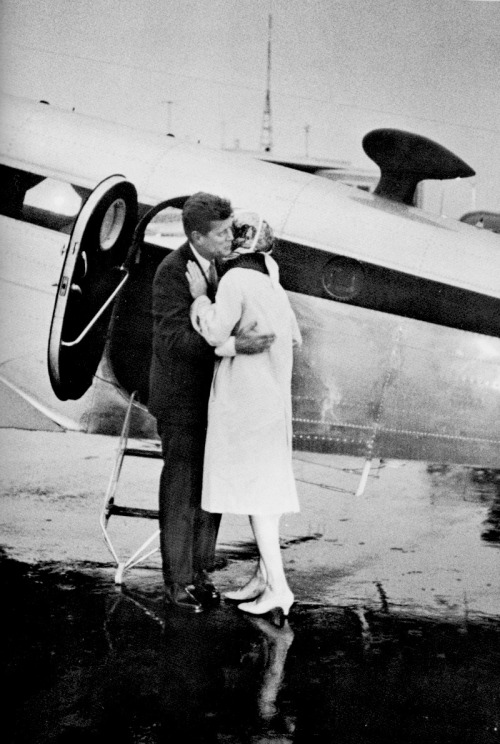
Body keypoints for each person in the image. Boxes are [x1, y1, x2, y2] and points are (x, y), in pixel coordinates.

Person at [148, 193, 276, 614]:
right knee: (182, 490)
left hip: (216, 398)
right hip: (182, 399)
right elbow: (174, 342)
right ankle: (177, 584)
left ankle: (199, 572)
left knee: (212, 490)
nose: (231, 239)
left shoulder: (224, 264)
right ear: (196, 236)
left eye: (231, 229)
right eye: (221, 234)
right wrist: (234, 345)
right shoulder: (172, 273)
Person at [186, 211, 302, 625]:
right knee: (265, 496)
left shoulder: (235, 281)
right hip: (271, 403)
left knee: (256, 497)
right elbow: (291, 336)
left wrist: (201, 296)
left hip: (245, 403)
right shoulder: (272, 284)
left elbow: (215, 333)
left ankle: (278, 589)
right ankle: (262, 578)